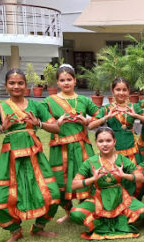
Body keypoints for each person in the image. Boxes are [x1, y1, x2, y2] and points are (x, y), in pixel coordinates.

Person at [0, 69, 61, 242]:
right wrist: (2, 128)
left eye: (20, 83)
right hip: (10, 158)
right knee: (4, 197)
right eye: (12, 83)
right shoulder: (0, 108)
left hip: (35, 155)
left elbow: (56, 128)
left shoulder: (36, 106)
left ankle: (39, 228)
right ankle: (15, 231)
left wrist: (38, 123)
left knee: (52, 193)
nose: (16, 86)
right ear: (6, 85)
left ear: (26, 85)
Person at [43, 64, 100, 224]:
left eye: (69, 79)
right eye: (62, 80)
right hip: (59, 148)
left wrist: (87, 120)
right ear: (57, 82)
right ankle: (68, 211)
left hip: (82, 146)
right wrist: (56, 122)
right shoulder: (49, 101)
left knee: (86, 177)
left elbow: (99, 114)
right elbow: (40, 120)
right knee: (60, 180)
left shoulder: (83, 100)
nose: (66, 83)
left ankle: (84, 210)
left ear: (75, 81)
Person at [69, 127, 144, 240]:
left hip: (120, 198)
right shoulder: (90, 162)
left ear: (114, 141)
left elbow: (141, 178)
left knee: (143, 210)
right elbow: (74, 185)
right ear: (96, 143)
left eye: (108, 141)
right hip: (98, 199)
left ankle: (115, 222)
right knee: (76, 214)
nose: (104, 144)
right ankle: (104, 222)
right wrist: (93, 179)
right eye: (101, 141)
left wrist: (124, 175)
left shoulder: (121, 159)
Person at [88, 77, 144, 196]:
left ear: (128, 91)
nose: (121, 93)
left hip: (132, 147)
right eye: (118, 89)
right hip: (113, 148)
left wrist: (136, 115)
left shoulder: (134, 107)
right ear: (112, 91)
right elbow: (91, 125)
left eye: (124, 90)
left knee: (136, 177)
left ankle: (133, 201)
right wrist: (105, 118)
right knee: (115, 176)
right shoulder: (106, 109)